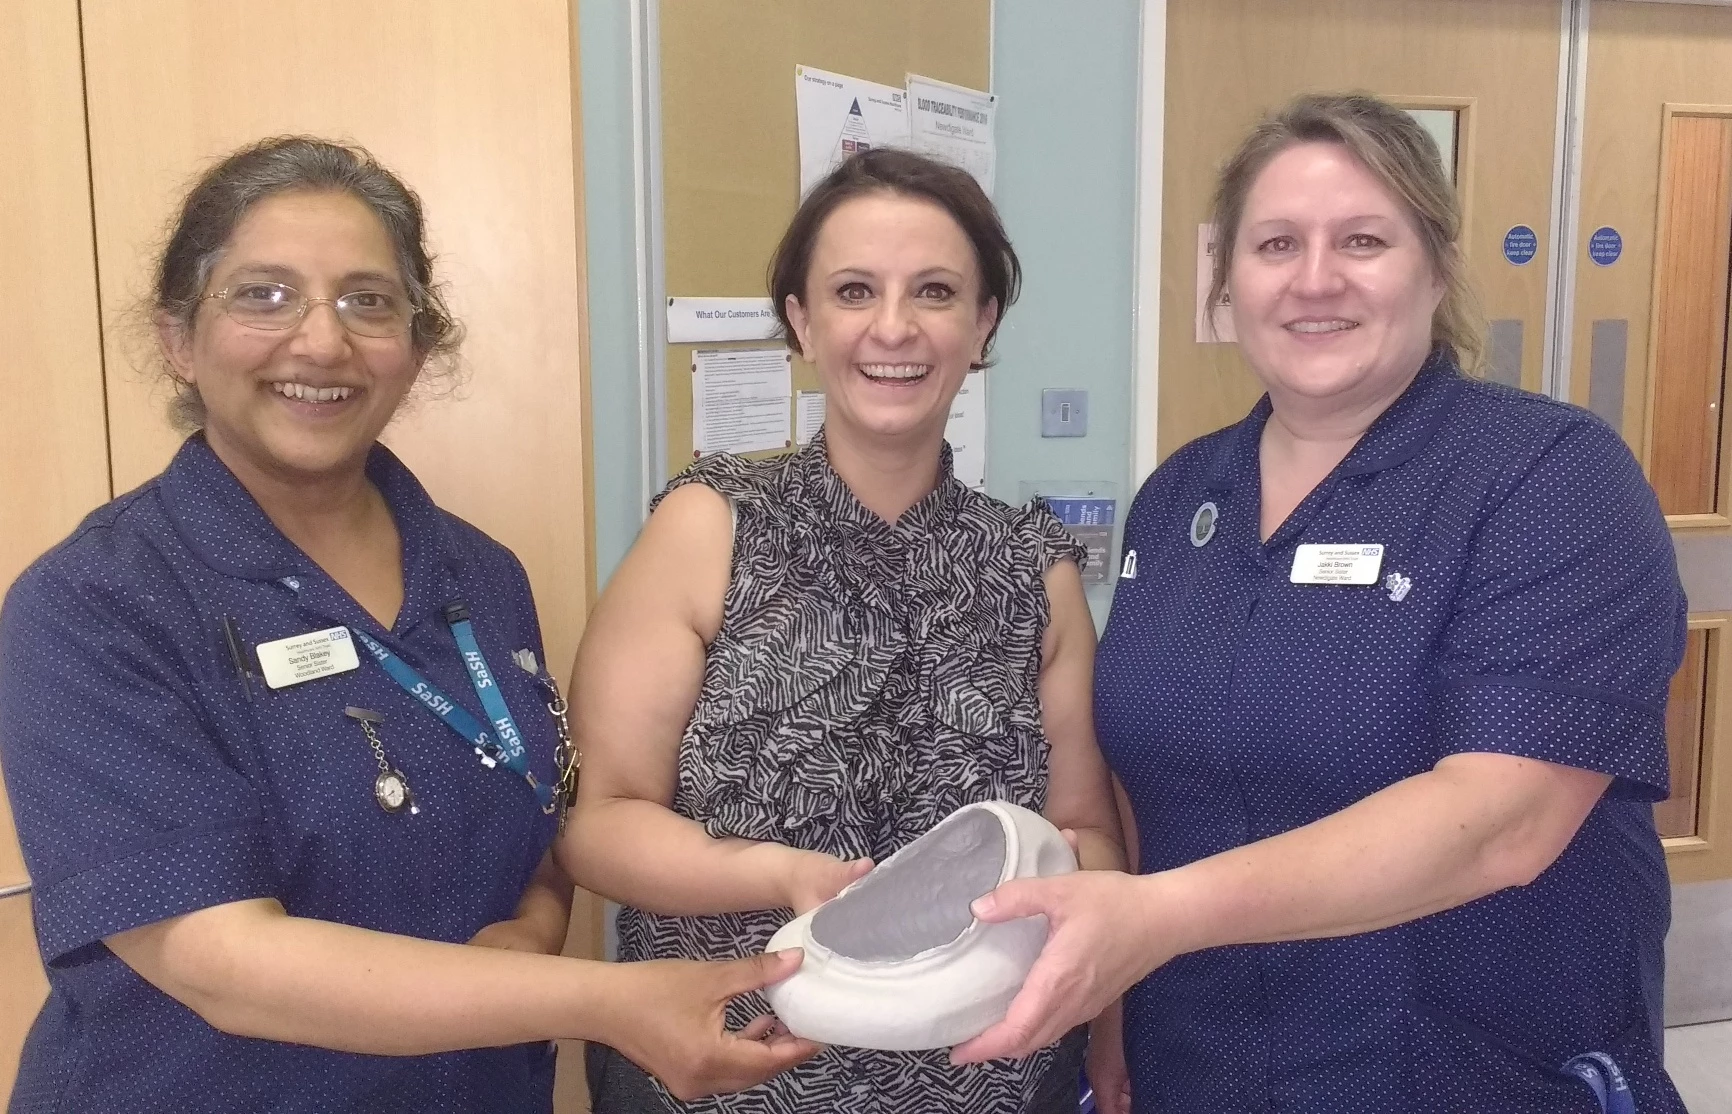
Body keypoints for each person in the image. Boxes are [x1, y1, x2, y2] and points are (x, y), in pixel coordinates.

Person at [0, 137, 816, 1114]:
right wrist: (607, 998)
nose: (321, 341)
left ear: (418, 346)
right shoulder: (97, 602)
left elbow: (537, 807)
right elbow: (216, 956)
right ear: (178, 334)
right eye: (263, 294)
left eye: (368, 300)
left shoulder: (480, 575)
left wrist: (528, 935)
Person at [951, 93, 1690, 1114]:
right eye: (1274, 244)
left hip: (1464, 1068)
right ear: (1227, 280)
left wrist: (1156, 916)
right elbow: (1145, 771)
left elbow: (1500, 821)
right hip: (1195, 1060)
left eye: (1361, 240)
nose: (1313, 279)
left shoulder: (1546, 479)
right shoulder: (1181, 498)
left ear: (1433, 265)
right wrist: (1118, 999)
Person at [560, 147, 1128, 1114]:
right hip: (724, 1073)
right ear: (802, 321)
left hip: (979, 1079)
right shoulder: (708, 525)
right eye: (855, 290)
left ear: (984, 322)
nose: (894, 328)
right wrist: (780, 875)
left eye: (937, 291)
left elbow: (1085, 834)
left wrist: (1079, 977)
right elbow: (600, 826)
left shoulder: (1037, 568)